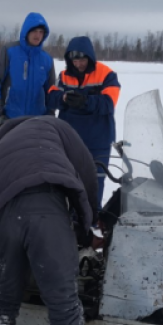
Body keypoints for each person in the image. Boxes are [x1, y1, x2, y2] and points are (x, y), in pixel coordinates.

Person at [0, 115, 102, 325]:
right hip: (46, 208)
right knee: (61, 294)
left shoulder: (1, 149)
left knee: (5, 289)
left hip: (4, 213)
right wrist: (88, 223)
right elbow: (87, 172)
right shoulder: (58, 126)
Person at [47, 36, 121, 208]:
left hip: (98, 141)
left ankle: (93, 220)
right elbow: (51, 97)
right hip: (70, 140)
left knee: (94, 184)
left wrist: (85, 102)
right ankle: (70, 220)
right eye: (74, 60)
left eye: (82, 60)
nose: (78, 64)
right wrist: (63, 98)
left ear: (89, 57)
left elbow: (109, 104)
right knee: (69, 181)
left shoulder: (107, 75)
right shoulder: (64, 76)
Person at [0, 12, 56, 127]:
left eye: (41, 32)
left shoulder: (46, 59)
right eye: (34, 31)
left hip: (38, 123)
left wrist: (49, 115)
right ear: (26, 32)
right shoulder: (9, 52)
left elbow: (52, 91)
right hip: (9, 120)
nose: (37, 35)